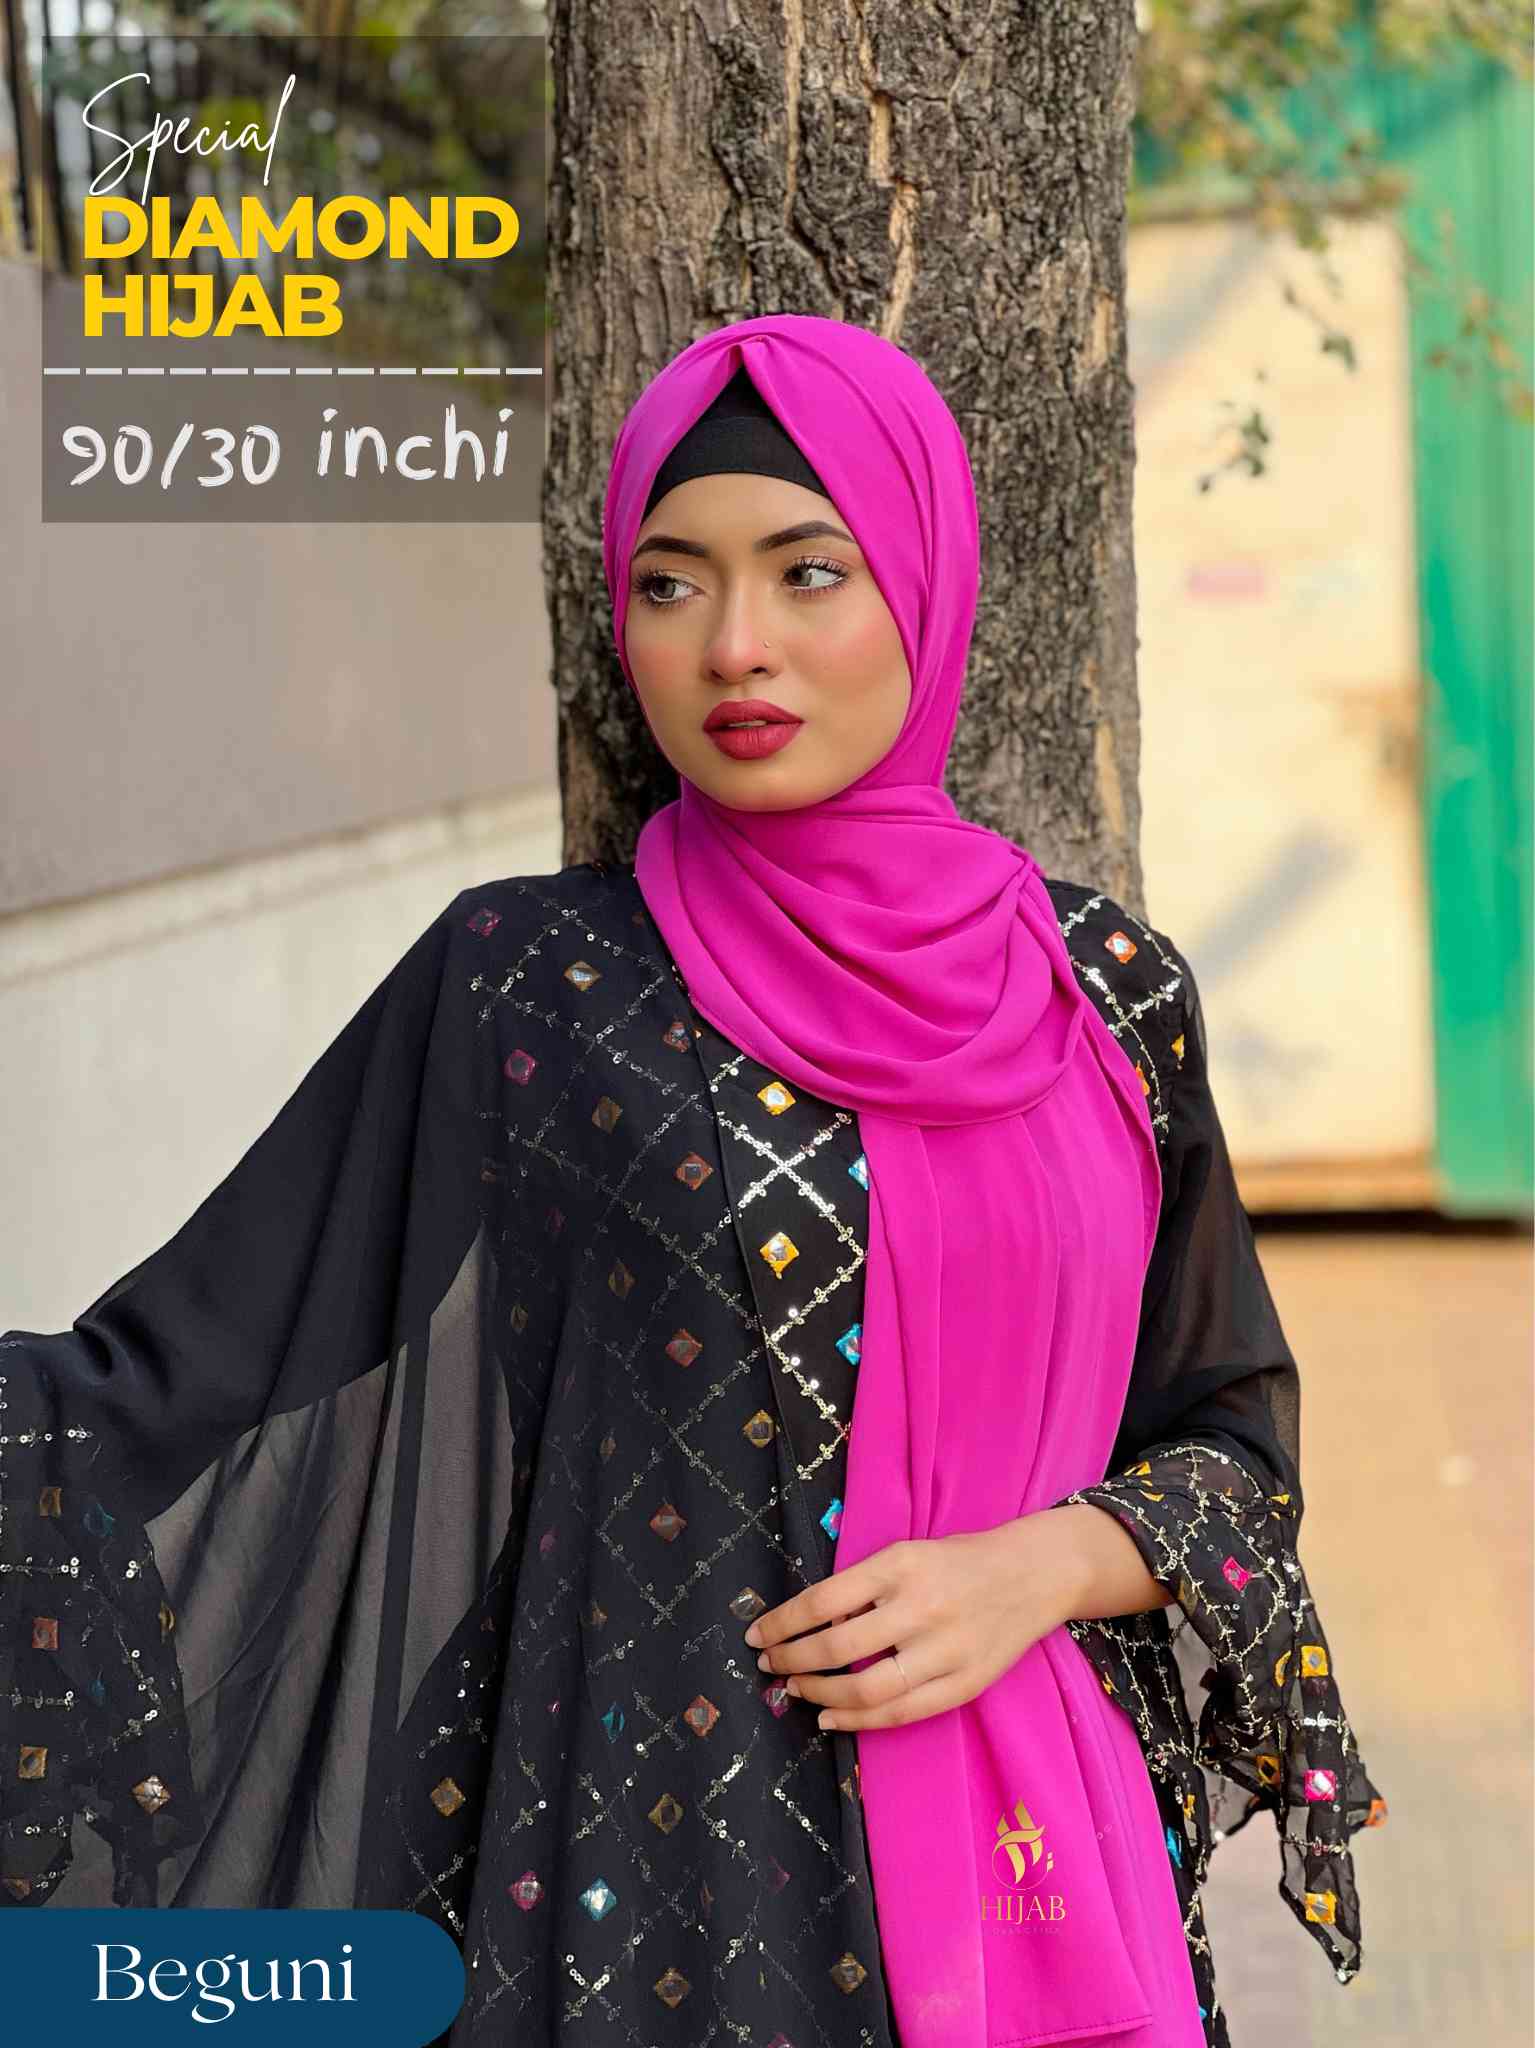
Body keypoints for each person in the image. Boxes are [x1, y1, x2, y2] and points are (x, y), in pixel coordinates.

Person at [0, 313, 1384, 2048]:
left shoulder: (1104, 995)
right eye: (671, 584)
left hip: (1041, 1868)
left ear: (926, 587)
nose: (736, 645)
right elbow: (185, 1382)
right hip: (650, 1889)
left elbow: (1234, 1451)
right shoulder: (537, 983)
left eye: (810, 572)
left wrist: (1032, 1569)